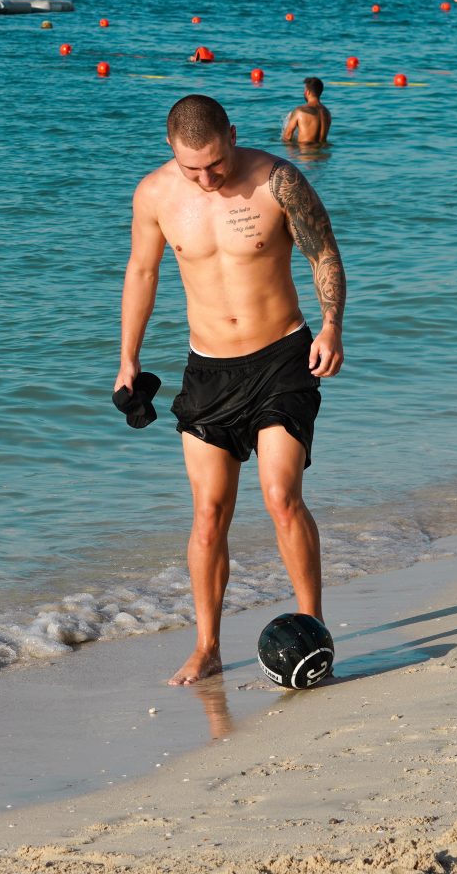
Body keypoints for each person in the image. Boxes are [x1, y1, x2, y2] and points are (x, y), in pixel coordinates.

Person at [120, 93, 345, 686]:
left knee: (279, 494)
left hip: (282, 357)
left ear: (232, 136)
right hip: (208, 370)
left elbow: (323, 252)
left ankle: (312, 627)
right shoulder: (155, 195)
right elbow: (143, 272)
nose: (207, 177)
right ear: (172, 150)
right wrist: (128, 357)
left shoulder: (278, 180)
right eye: (193, 167)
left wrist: (331, 327)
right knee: (208, 514)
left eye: (215, 163)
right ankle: (207, 645)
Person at [282, 77, 333, 148]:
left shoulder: (300, 111)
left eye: (304, 90)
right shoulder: (327, 113)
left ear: (307, 92)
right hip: (323, 156)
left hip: (305, 155)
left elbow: (287, 137)